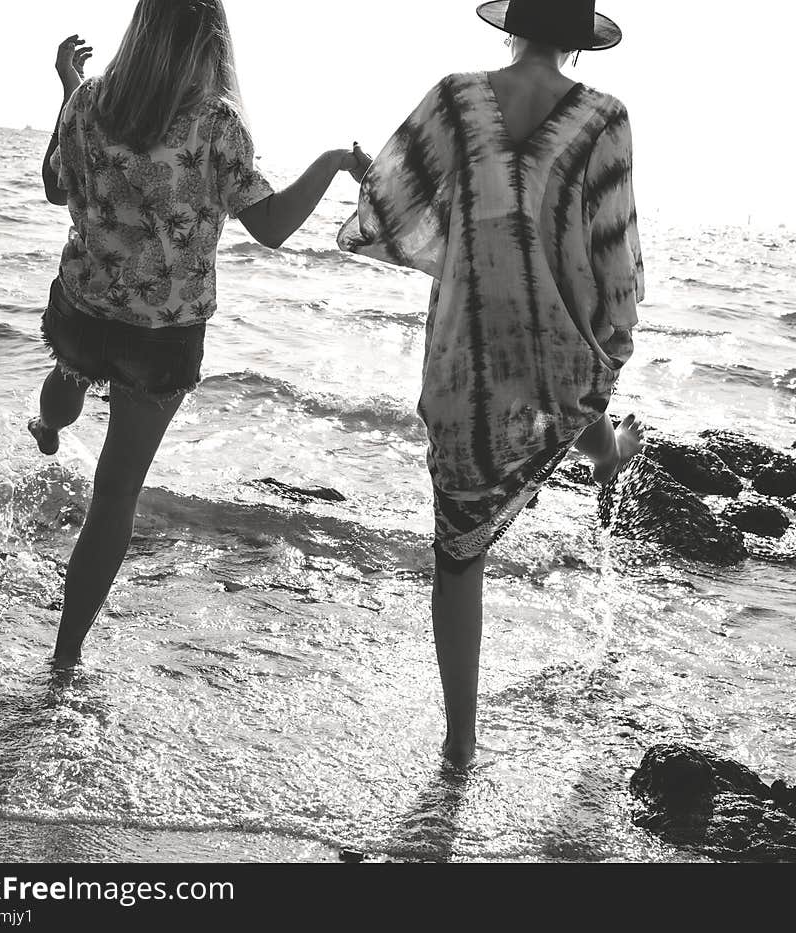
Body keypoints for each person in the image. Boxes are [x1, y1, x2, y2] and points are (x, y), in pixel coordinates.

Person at [339, 0, 645, 767]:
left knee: (458, 549)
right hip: (556, 342)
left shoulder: (454, 95)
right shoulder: (604, 117)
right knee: (571, 384)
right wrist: (613, 333)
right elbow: (615, 252)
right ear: (580, 42)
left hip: (462, 356)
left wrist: (392, 194)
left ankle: (459, 744)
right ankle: (604, 451)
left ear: (512, 25)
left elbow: (387, 199)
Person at [34, 0, 363, 668]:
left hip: (85, 303)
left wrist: (70, 93)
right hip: (161, 335)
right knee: (116, 493)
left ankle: (48, 426)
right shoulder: (216, 123)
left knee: (68, 372)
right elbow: (269, 226)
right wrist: (330, 163)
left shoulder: (90, 101)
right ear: (210, 41)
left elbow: (52, 186)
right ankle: (64, 659)